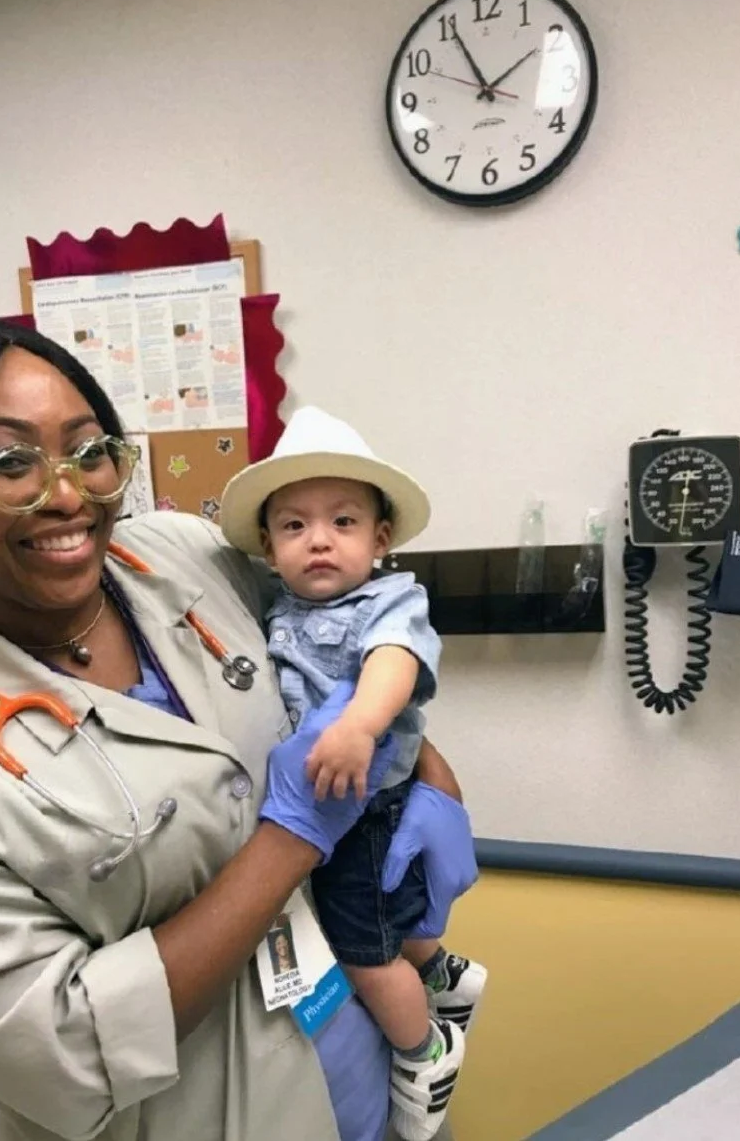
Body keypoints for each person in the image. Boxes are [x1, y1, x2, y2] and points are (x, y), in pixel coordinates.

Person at [0, 319, 478, 1141]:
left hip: (354, 1071)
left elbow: (339, 651)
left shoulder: (187, 559)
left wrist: (419, 770)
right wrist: (291, 835)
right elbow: (67, 1054)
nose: (69, 493)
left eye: (88, 450)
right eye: (9, 463)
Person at [220, 407, 488, 1141]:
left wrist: (357, 726)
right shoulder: (276, 607)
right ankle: (443, 972)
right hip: (326, 811)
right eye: (294, 526)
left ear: (380, 541)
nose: (318, 541)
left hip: (365, 809)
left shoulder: (388, 600)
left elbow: (394, 662)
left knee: (364, 953)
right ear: (268, 548)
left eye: (342, 522)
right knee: (387, 919)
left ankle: (422, 1051)